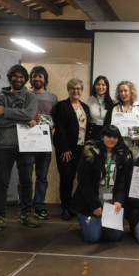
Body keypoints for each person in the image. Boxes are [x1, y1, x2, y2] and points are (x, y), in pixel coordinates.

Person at [0, 64, 38, 232]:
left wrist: (7, 112)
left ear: (25, 79)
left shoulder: (30, 96)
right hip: (4, 146)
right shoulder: (1, 97)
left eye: (21, 77)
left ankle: (26, 214)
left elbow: (30, 114)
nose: (18, 79)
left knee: (26, 181)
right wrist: (23, 119)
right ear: (10, 77)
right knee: (1, 182)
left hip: (26, 145)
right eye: (15, 76)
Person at [72, 125, 133, 243]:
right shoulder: (90, 154)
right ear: (102, 137)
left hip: (110, 205)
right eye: (109, 136)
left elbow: (122, 183)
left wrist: (118, 200)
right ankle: (90, 222)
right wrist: (94, 204)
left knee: (115, 236)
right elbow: (84, 183)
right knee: (93, 237)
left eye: (115, 137)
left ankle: (101, 223)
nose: (112, 140)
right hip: (90, 204)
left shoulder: (122, 155)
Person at [53, 78, 92, 221]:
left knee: (78, 179)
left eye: (79, 88)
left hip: (81, 150)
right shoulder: (61, 106)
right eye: (73, 88)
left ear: (82, 91)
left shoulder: (85, 107)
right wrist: (64, 148)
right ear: (68, 90)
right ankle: (65, 207)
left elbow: (86, 129)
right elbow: (60, 129)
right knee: (66, 178)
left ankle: (73, 206)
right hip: (66, 150)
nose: (76, 91)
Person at [27, 66, 58, 220]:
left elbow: (55, 119)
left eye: (40, 76)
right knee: (25, 177)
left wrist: (53, 125)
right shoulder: (24, 94)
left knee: (42, 177)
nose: (37, 79)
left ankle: (39, 206)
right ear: (31, 78)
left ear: (45, 79)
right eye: (35, 76)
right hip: (27, 141)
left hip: (45, 142)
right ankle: (25, 207)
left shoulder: (53, 98)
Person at [104, 80, 139, 159]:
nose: (123, 93)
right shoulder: (113, 108)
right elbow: (106, 128)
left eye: (125, 91)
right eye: (121, 91)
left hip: (135, 152)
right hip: (116, 150)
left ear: (131, 92)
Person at [86, 75, 114, 140]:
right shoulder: (89, 100)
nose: (100, 87)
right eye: (98, 84)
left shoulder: (112, 102)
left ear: (107, 87)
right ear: (95, 86)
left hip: (107, 134)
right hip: (92, 132)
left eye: (103, 85)